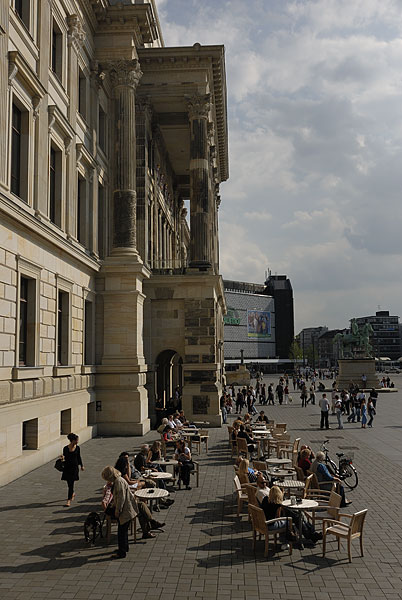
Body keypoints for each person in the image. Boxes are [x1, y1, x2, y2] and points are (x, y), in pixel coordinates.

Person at [101, 466, 165, 556]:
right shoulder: (119, 480)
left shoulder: (118, 482)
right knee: (123, 531)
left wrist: (117, 510)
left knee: (122, 532)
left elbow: (121, 498)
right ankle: (124, 548)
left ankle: (122, 552)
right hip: (127, 509)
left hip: (125, 510)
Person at [61, 433, 84, 507]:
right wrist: (62, 458)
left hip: (74, 468)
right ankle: (72, 493)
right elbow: (64, 457)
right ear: (72, 440)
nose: (77, 441)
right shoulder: (65, 448)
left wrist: (81, 465)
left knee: (71, 484)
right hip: (67, 468)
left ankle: (68, 500)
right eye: (76, 440)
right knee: (69, 483)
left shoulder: (77, 448)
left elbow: (79, 457)